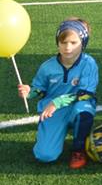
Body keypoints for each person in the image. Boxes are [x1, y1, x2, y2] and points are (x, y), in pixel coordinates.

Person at [18, 19, 97, 168]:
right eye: (63, 42)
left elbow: (86, 94)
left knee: (83, 111)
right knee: (45, 156)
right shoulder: (47, 66)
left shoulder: (89, 63)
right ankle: (54, 132)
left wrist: (57, 102)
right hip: (53, 111)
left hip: (76, 105)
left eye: (73, 43)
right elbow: (39, 89)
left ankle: (78, 149)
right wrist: (29, 92)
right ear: (57, 43)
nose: (68, 47)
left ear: (83, 43)